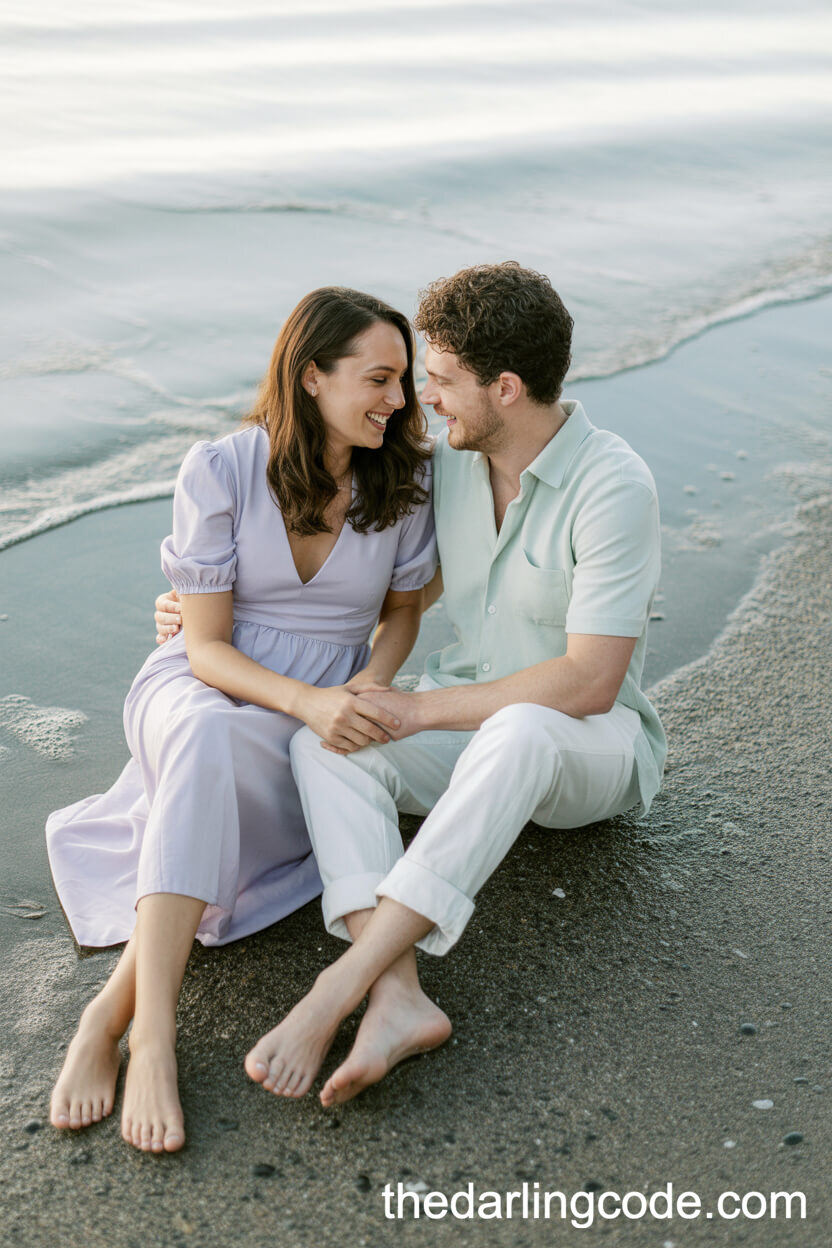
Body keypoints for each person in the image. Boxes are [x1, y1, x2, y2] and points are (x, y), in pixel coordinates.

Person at [156, 262, 668, 1109]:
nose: (419, 400)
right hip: (471, 728)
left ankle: (339, 987)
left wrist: (418, 708)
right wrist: (203, 598)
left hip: (590, 751)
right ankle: (397, 996)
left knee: (522, 725)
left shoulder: (614, 485)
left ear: (504, 388)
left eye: (438, 380)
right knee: (328, 744)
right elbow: (385, 580)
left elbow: (588, 681)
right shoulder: (446, 469)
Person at [46, 287, 439, 1152]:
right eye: (378, 379)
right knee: (202, 732)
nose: (398, 401)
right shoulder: (219, 467)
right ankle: (153, 1038)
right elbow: (207, 647)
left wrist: (368, 690)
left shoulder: (406, 477)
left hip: (331, 687)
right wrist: (308, 702)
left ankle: (105, 1018)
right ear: (310, 378)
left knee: (224, 771)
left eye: (403, 381)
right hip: (205, 680)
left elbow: (404, 612)